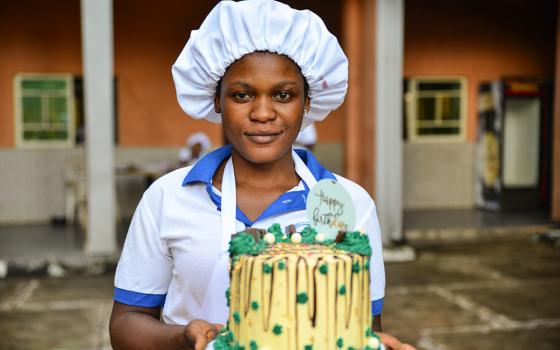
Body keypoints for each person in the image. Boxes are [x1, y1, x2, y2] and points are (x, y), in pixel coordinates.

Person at [109, 1, 415, 350]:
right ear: (218, 100)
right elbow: (125, 324)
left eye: (283, 95)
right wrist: (182, 338)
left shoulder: (347, 202)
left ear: (307, 102)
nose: (263, 113)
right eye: (242, 95)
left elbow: (360, 328)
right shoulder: (168, 197)